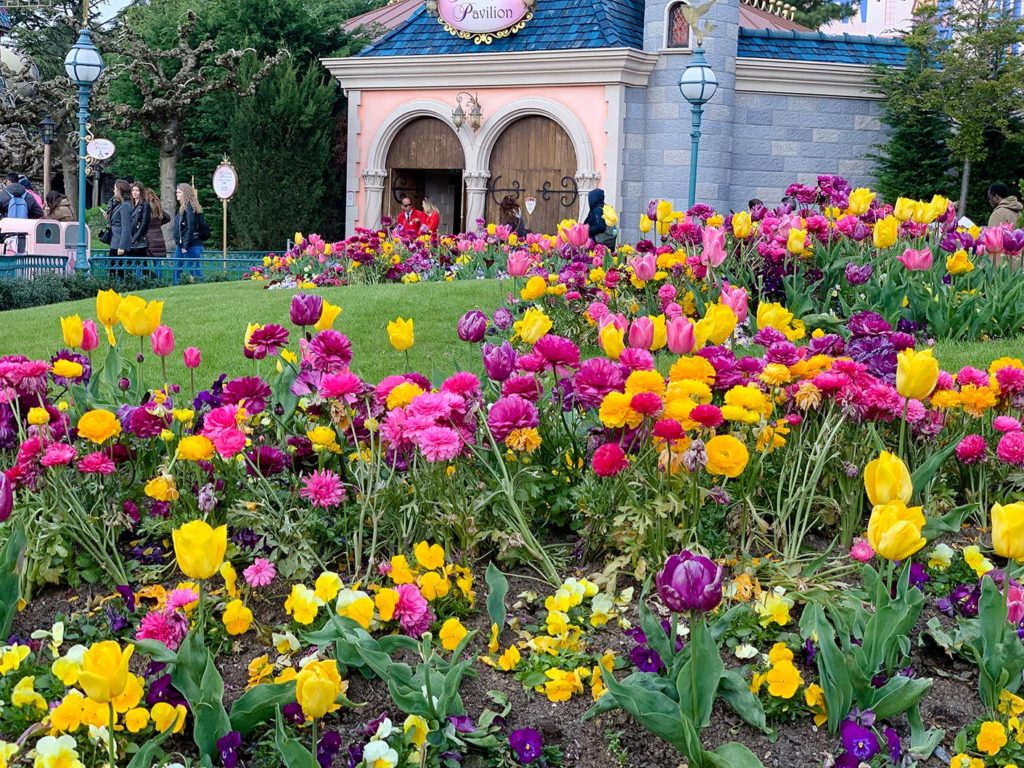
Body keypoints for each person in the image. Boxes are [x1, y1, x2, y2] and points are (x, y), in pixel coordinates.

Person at [173, 182, 205, 284]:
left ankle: (201, 287)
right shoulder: (184, 207)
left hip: (190, 244)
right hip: (182, 244)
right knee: (177, 268)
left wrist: (185, 245)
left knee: (194, 269)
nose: (176, 194)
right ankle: (175, 286)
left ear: (185, 194)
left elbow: (190, 227)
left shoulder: (189, 208)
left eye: (179, 192)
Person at [108, 180, 134, 276]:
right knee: (112, 270)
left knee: (117, 271)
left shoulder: (125, 206)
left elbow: (126, 228)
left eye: (115, 189)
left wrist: (121, 247)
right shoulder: (120, 204)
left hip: (119, 245)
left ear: (119, 191)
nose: (114, 191)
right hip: (115, 242)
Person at [144, 187, 171, 260]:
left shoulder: (145, 207)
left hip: (148, 237)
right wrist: (158, 224)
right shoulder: (158, 206)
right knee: (157, 263)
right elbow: (168, 218)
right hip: (159, 236)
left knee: (142, 263)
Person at [128, 182, 151, 258]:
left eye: (137, 190)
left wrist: (136, 237)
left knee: (141, 262)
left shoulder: (145, 204)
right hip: (130, 236)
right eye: (133, 190)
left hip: (139, 238)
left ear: (141, 192)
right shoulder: (131, 204)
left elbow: (144, 223)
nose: (135, 192)